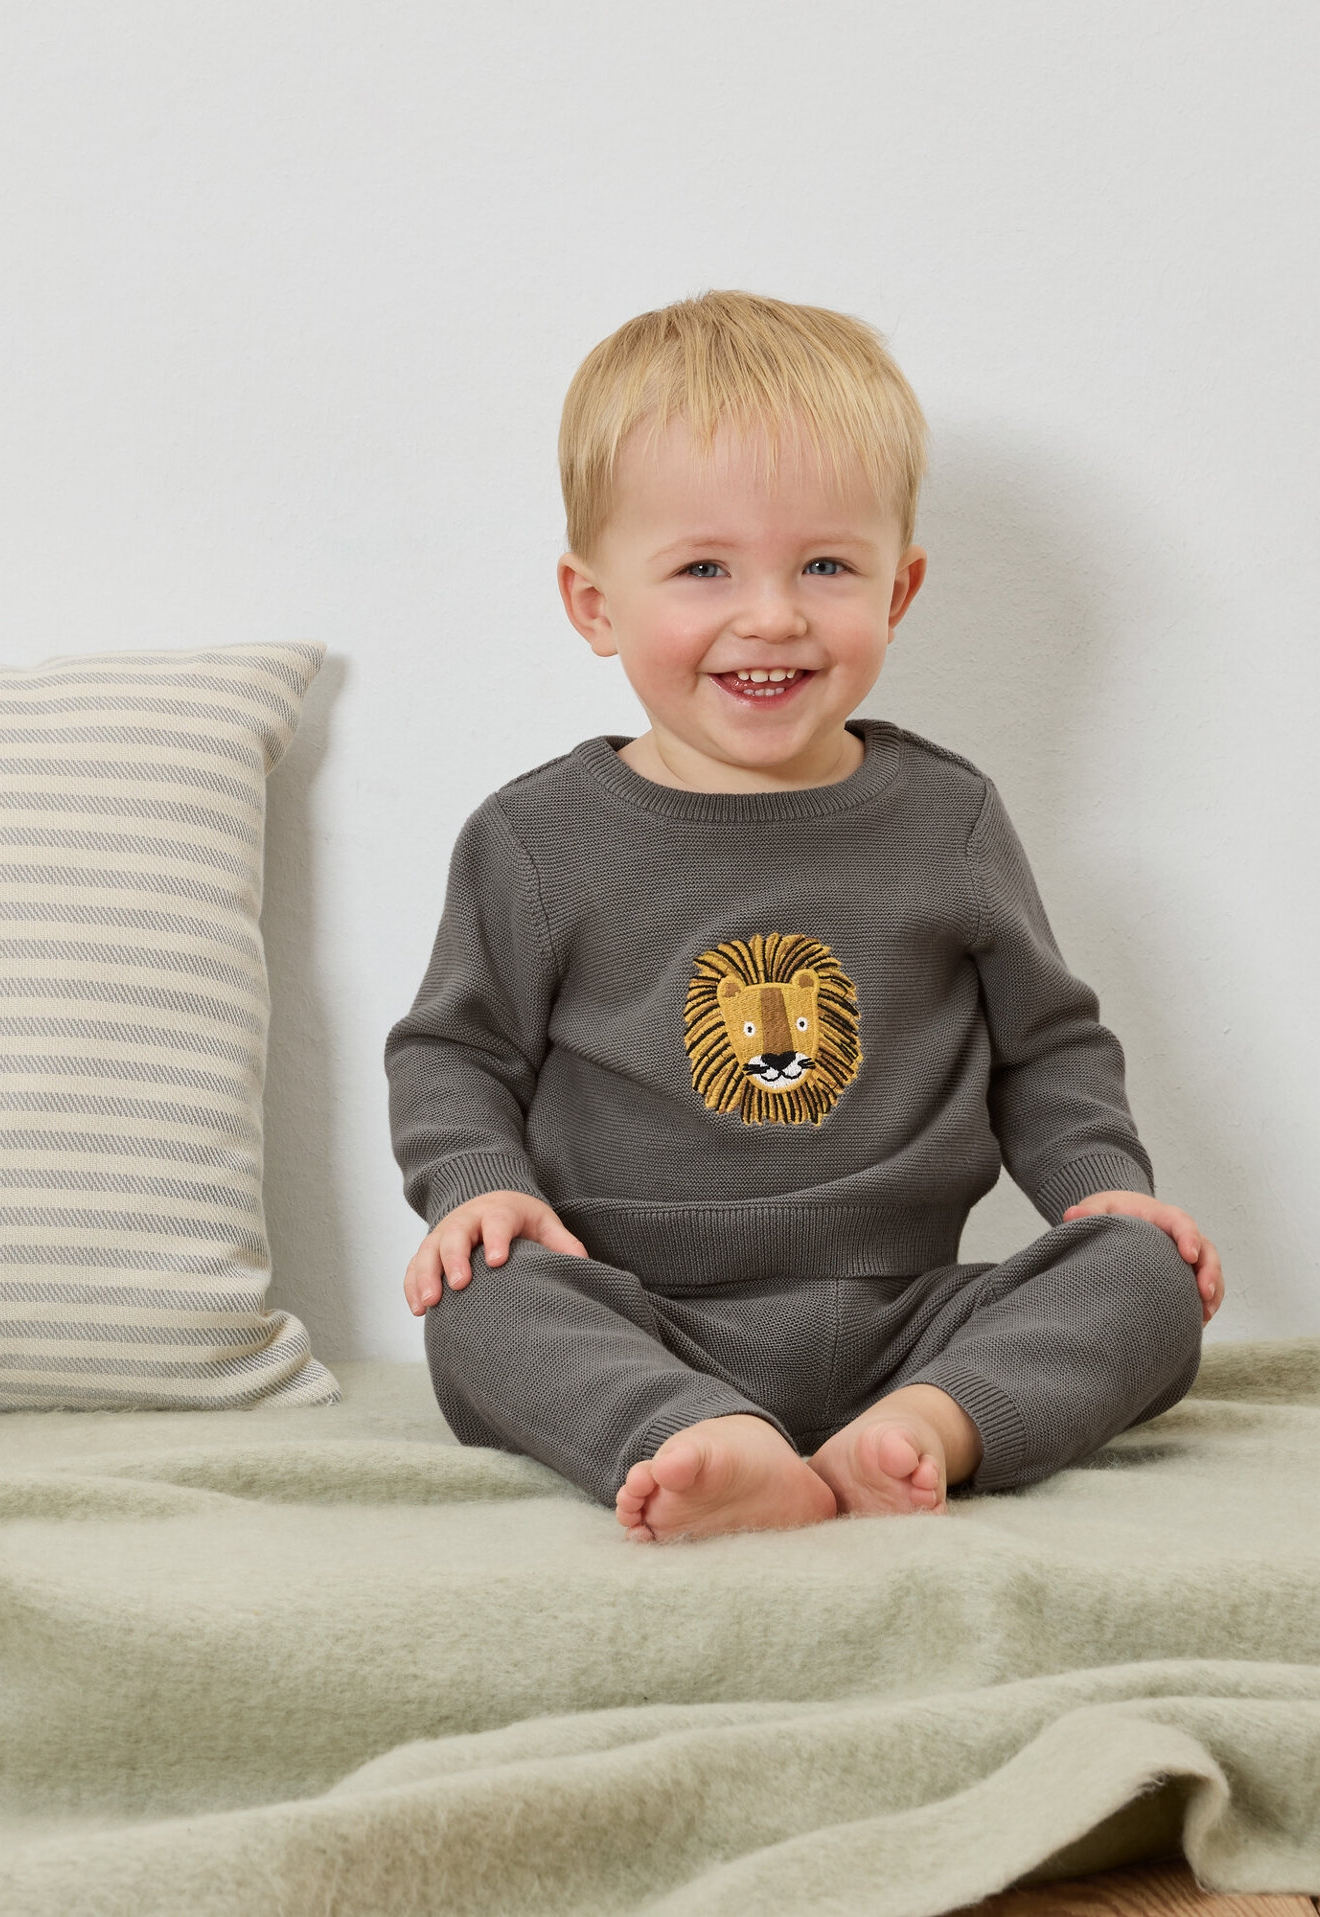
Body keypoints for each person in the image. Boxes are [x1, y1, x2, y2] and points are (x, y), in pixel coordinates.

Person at [384, 291, 1219, 1543]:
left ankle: (924, 1429)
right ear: (595, 602)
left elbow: (1048, 1049)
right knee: (480, 1306)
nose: (770, 615)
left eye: (825, 566)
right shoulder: (538, 840)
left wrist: (1100, 1187)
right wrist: (478, 1186)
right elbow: (452, 1051)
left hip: (911, 1314)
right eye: (704, 568)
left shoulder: (949, 819)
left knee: (1151, 1280)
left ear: (899, 590)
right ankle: (689, 1434)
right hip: (638, 1310)